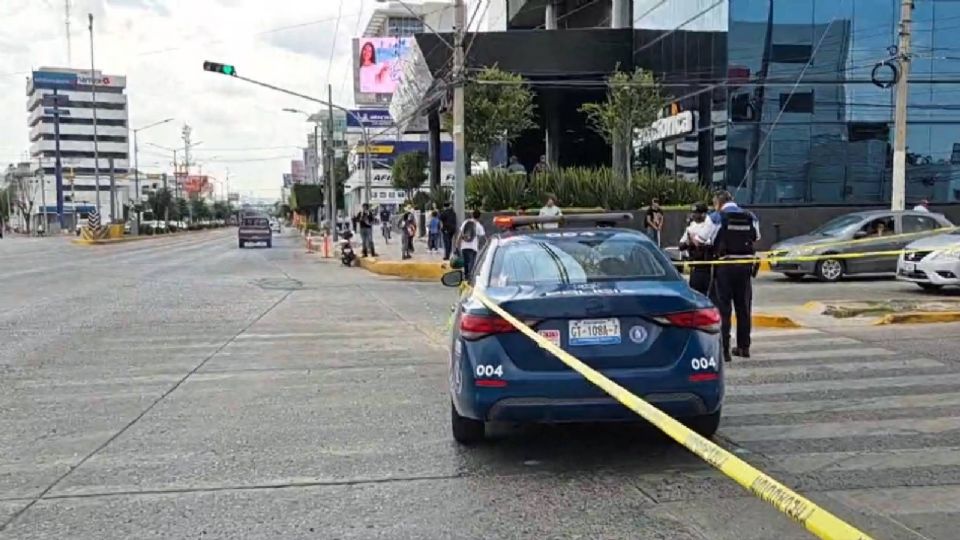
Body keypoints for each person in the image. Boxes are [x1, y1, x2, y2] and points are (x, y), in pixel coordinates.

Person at [702, 190, 760, 362]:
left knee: (724, 309)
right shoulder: (750, 216)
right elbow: (756, 237)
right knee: (743, 308)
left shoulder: (716, 217)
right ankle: (744, 347)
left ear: (718, 202)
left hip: (725, 266)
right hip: (745, 267)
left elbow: (704, 238)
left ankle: (725, 350)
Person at [678, 203, 713, 295]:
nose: (693, 215)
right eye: (693, 212)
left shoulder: (709, 225)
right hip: (694, 265)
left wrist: (695, 241)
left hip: (706, 265)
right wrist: (688, 242)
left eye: (696, 213)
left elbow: (707, 245)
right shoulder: (691, 226)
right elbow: (681, 245)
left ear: (703, 214)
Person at [457, 209, 486, 278]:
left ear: (472, 215)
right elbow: (483, 237)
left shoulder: (465, 222)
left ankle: (466, 276)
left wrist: (457, 244)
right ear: (479, 217)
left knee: (466, 263)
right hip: (473, 247)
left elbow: (460, 234)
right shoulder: (479, 226)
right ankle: (470, 277)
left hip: (464, 247)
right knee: (471, 264)